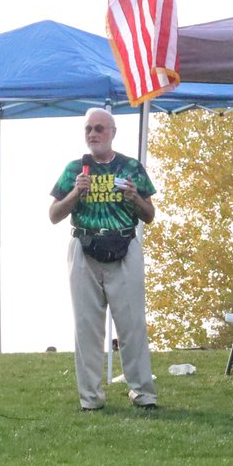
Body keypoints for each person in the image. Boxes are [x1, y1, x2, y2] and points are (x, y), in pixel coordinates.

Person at [49, 107, 157, 412]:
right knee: (86, 326)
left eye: (99, 129)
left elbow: (149, 216)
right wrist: (74, 195)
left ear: (112, 133)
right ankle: (91, 398)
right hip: (84, 247)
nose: (93, 135)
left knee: (132, 323)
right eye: (88, 130)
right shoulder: (74, 170)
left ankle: (143, 392)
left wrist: (134, 198)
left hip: (124, 245)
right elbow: (54, 215)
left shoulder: (131, 167)